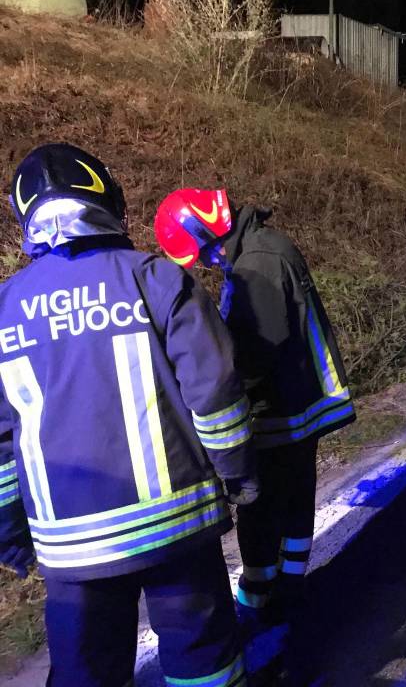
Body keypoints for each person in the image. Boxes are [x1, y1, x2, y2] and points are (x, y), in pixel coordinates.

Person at [0, 144, 255, 687]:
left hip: (70, 546)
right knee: (204, 661)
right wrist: (238, 476)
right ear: (107, 200)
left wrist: (10, 532)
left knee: (85, 673)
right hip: (177, 527)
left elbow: (1, 440)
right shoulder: (159, 280)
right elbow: (215, 393)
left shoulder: (5, 308)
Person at [153, 192, 356, 643]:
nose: (206, 261)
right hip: (299, 400)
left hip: (278, 410)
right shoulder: (261, 247)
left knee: (260, 508)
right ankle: (289, 585)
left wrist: (214, 398)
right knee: (296, 497)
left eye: (203, 251)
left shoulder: (256, 264)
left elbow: (253, 352)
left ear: (206, 230)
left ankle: (257, 596)